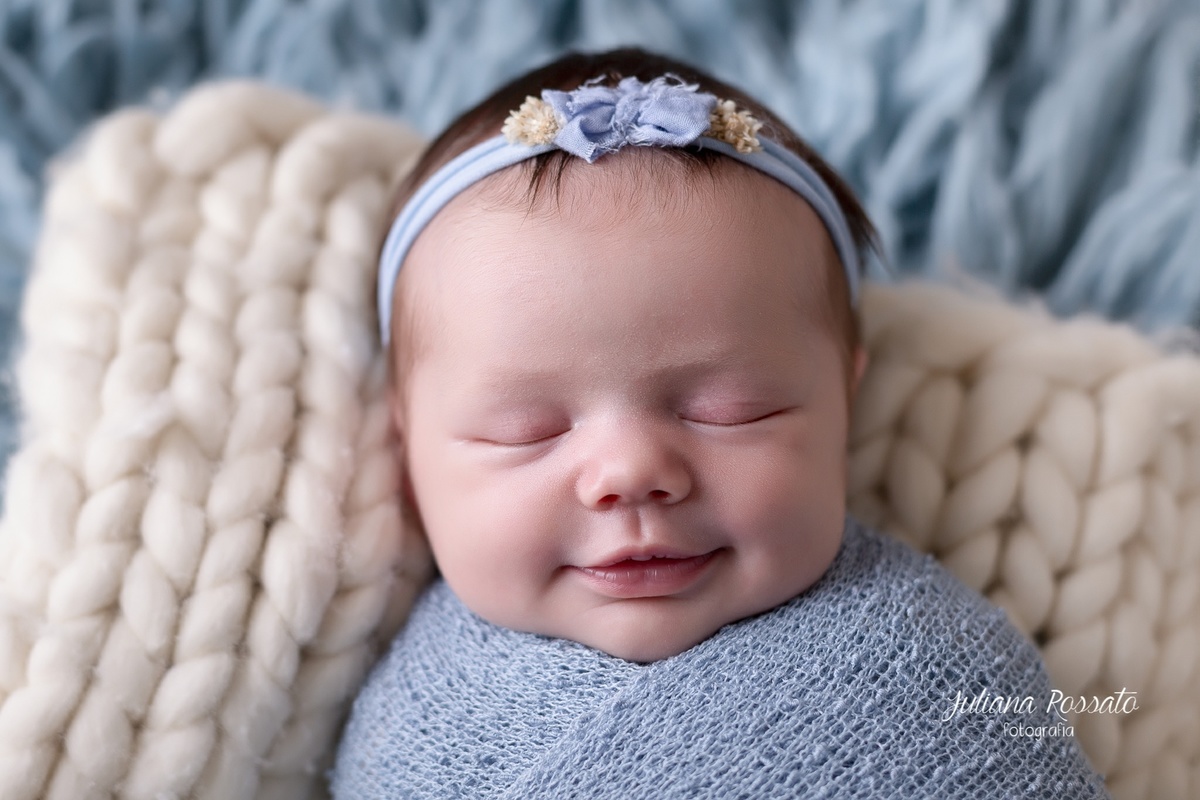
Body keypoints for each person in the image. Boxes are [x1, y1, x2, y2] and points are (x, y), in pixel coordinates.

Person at [331, 48, 1110, 798]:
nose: (631, 472)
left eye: (728, 410)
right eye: (526, 427)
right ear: (408, 449)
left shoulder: (941, 674)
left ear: (845, 402)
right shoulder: (408, 720)